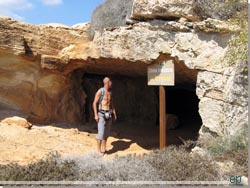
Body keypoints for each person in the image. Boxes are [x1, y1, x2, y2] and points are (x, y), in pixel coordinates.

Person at [92, 77, 117, 154]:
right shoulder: (100, 91)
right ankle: (99, 151)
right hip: (101, 114)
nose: (111, 83)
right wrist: (96, 115)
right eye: (110, 82)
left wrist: (114, 113)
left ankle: (104, 149)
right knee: (101, 133)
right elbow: (94, 103)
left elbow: (111, 102)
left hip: (108, 114)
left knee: (106, 133)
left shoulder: (110, 92)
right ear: (107, 83)